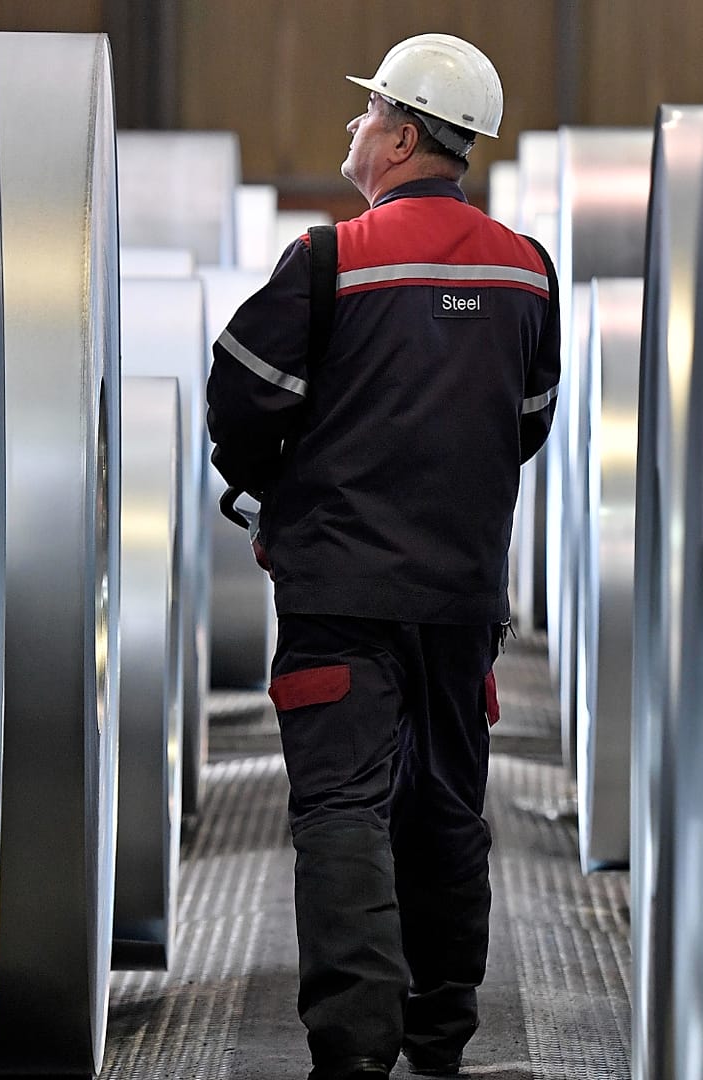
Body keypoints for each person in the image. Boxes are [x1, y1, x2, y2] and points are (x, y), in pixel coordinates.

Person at [204, 32, 561, 1080]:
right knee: (450, 809)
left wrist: (303, 478)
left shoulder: (330, 263)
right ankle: (441, 1037)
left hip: (339, 594)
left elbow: (238, 407)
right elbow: (526, 421)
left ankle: (354, 1053)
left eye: (367, 114)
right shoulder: (529, 273)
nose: (355, 128)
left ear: (402, 136)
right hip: (459, 599)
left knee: (343, 809)